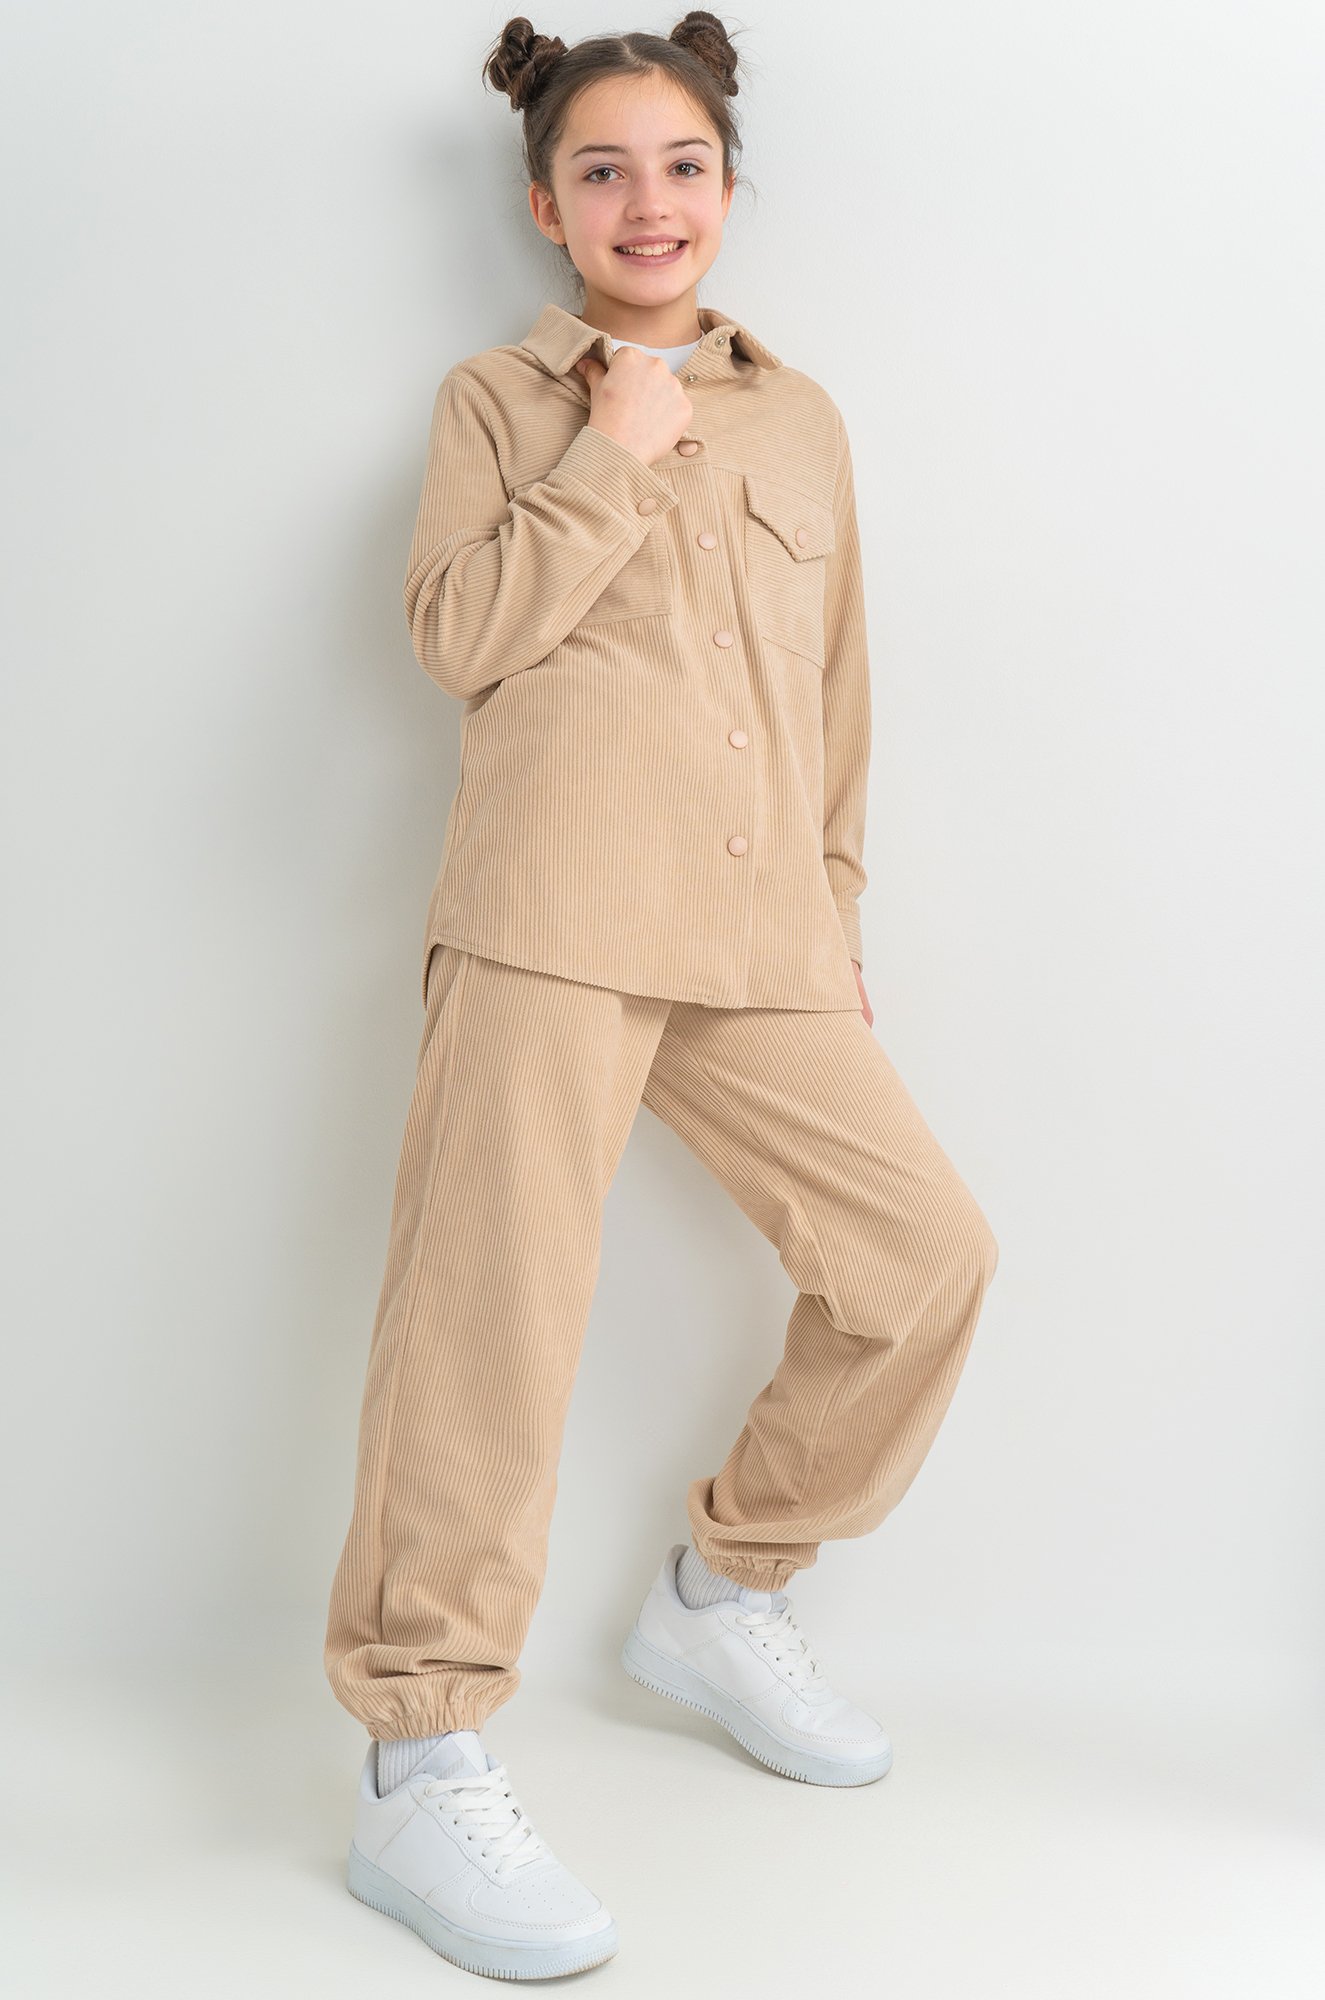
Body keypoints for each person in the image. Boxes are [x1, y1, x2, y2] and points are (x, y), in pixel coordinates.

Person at [324, 9, 999, 1980]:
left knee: (923, 1261)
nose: (649, 201)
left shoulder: (803, 419)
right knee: (491, 1329)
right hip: (547, 916)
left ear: (726, 188)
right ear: (546, 205)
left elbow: (837, 689)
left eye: (682, 165)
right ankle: (418, 1751)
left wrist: (833, 910)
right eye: (603, 170)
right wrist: (607, 457)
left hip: (757, 929)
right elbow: (456, 633)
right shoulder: (496, 401)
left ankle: (723, 1588)